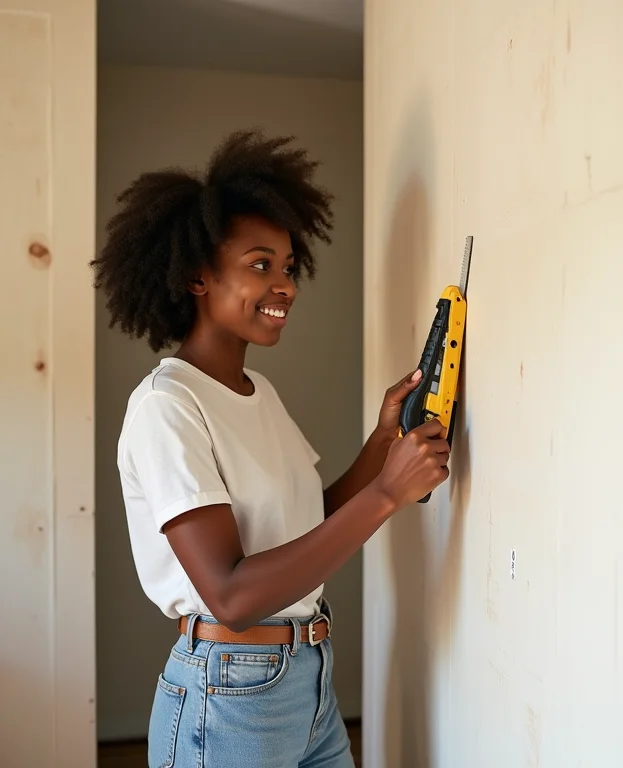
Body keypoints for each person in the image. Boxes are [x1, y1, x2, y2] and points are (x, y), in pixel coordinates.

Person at [91, 128, 450, 768]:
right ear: (198, 277)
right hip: (228, 696)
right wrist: (391, 492)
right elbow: (230, 593)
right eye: (260, 265)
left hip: (307, 678)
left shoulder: (258, 393)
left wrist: (383, 441)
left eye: (288, 266)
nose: (285, 285)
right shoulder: (168, 405)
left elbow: (311, 520)